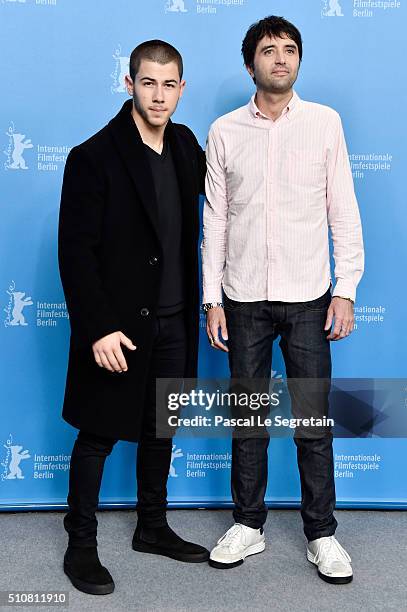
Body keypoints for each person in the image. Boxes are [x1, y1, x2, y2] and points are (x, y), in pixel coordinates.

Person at [201, 16, 364, 584]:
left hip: (309, 299)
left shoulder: (325, 124)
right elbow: (215, 221)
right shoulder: (223, 131)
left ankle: (321, 532)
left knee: (313, 423)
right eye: (268, 51)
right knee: (248, 422)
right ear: (251, 64)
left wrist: (345, 290)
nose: (280, 59)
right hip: (243, 299)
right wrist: (211, 299)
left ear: (299, 60)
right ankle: (249, 525)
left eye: (289, 50)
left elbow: (342, 209)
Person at [58, 39, 208, 596]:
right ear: (129, 84)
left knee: (159, 430)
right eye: (148, 82)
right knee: (97, 435)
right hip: (117, 327)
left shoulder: (188, 143)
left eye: (170, 84)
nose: (159, 95)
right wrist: (97, 327)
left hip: (174, 321)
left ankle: (152, 526)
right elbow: (74, 252)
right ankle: (80, 545)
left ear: (182, 89)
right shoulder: (93, 155)